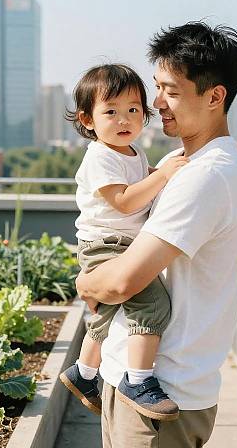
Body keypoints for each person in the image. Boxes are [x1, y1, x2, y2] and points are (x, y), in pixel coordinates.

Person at [76, 22, 237, 448]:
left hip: (164, 394)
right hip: (140, 382)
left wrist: (84, 282)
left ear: (214, 96)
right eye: (157, 87)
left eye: (170, 90)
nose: (156, 103)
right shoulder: (183, 162)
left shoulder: (206, 175)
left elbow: (120, 282)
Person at [60, 63, 188, 421]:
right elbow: (126, 200)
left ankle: (83, 374)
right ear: (87, 120)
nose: (123, 120)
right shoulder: (99, 157)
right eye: (111, 112)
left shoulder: (132, 152)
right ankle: (139, 380)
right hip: (106, 245)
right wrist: (163, 174)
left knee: (107, 310)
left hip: (120, 242)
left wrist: (158, 174)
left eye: (133, 110)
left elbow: (137, 180)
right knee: (152, 303)